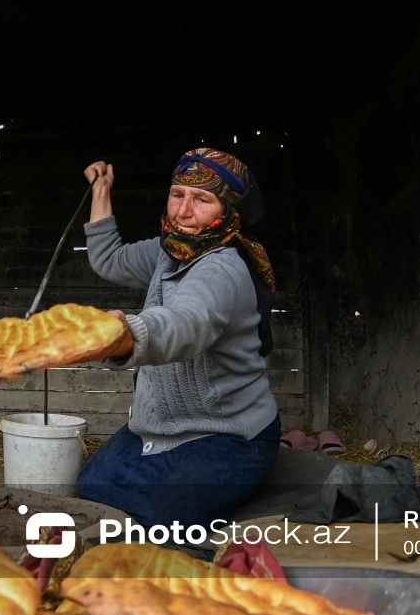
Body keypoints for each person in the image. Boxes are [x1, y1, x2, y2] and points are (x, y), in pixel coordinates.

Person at [75, 147, 281, 529]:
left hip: (226, 435)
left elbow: (186, 323)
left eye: (201, 199)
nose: (184, 211)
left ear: (229, 210)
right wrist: (101, 190)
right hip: (159, 426)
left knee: (160, 523)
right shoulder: (169, 251)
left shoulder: (223, 267)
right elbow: (110, 259)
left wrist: (126, 334)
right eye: (177, 194)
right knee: (90, 489)